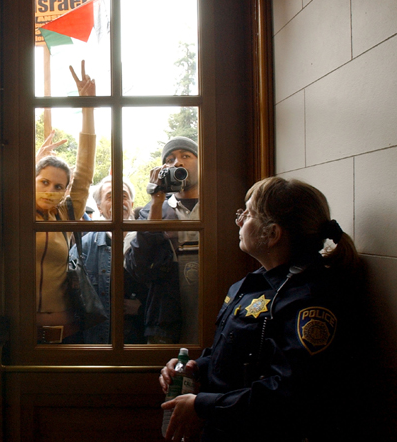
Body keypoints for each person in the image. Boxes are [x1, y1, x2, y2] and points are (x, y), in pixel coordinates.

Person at [159, 177, 362, 441]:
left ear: (273, 234)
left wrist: (203, 405)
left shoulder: (310, 300)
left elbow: (290, 394)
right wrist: (197, 367)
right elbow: (243, 357)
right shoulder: (253, 284)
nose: (239, 221)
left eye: (248, 214)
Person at [35, 61, 96, 344]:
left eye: (59, 186)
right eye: (44, 182)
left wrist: (88, 109)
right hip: (19, 337)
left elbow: (84, 171)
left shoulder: (66, 213)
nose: (51, 190)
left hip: (66, 334)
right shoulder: (13, 211)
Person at [125, 136, 200, 344]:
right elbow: (138, 268)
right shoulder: (153, 211)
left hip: (212, 312)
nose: (177, 163)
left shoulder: (217, 205)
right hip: (165, 322)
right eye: (169, 160)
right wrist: (156, 202)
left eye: (186, 156)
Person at [69, 176, 146, 343]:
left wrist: (143, 309)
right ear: (99, 207)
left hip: (141, 341)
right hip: (99, 341)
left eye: (123, 196)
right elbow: (72, 299)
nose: (118, 201)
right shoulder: (84, 248)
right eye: (110, 197)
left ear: (131, 203)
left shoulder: (147, 240)